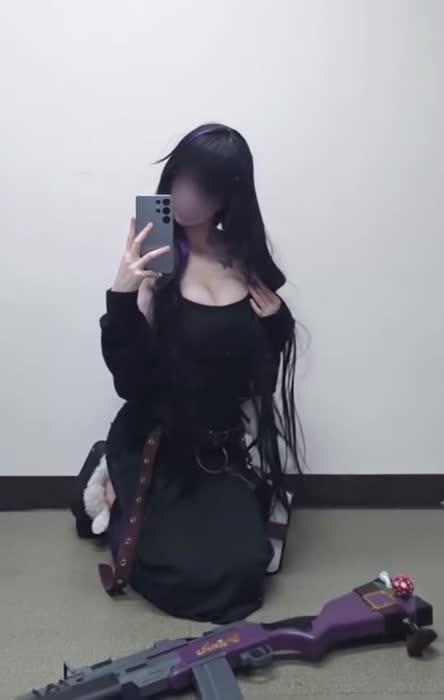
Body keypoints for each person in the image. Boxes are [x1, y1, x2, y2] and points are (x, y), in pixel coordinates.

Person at [72, 123, 303, 624]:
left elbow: (258, 368)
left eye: (205, 185)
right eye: (181, 178)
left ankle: (116, 486)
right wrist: (123, 296)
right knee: (182, 580)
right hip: (161, 442)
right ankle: (111, 476)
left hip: (218, 450)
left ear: (229, 194)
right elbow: (131, 382)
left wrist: (276, 321)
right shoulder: (156, 263)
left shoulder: (244, 257)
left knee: (245, 573)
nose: (186, 195)